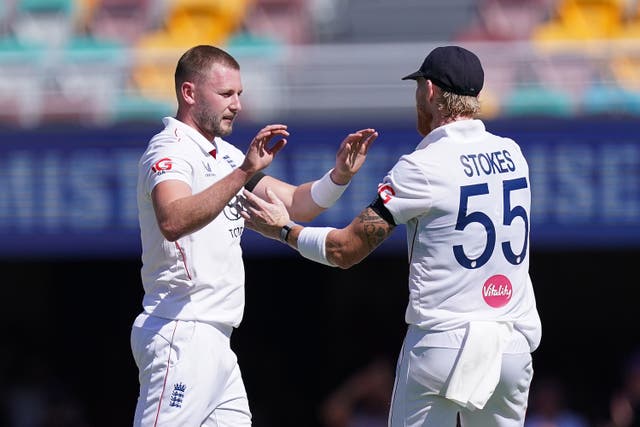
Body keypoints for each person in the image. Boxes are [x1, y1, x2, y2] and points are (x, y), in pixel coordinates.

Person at [242, 45, 542, 427]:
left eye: (418, 88)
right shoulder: (512, 153)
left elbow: (344, 250)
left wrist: (283, 230)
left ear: (429, 91)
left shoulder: (423, 166)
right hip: (512, 347)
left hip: (444, 343)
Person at [131, 44, 378, 426]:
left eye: (239, 95)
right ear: (189, 93)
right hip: (182, 333)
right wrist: (244, 173)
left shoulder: (225, 156)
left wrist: (339, 177)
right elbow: (173, 219)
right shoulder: (170, 150)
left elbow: (296, 204)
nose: (237, 105)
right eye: (226, 94)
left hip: (217, 341)